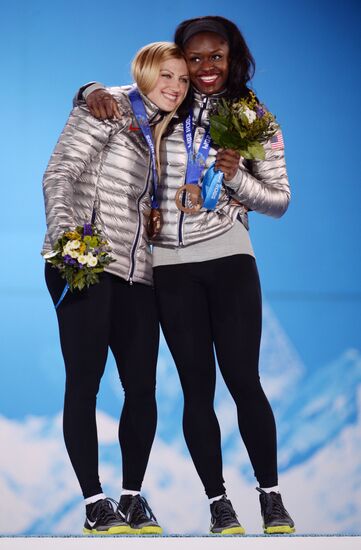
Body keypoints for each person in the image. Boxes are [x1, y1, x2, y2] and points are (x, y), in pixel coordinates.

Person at [77, 15, 295, 536]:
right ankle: (219, 503)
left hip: (230, 259)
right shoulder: (163, 99)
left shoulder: (254, 117)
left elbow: (281, 201)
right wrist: (85, 89)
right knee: (197, 389)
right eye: (193, 58)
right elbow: (107, 97)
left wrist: (237, 177)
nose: (203, 69)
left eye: (214, 57)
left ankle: (271, 497)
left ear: (232, 56)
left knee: (244, 380)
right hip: (170, 266)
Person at [42, 42, 189, 536]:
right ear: (145, 73)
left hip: (137, 273)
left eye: (183, 80)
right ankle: (93, 503)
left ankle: (131, 499)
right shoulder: (107, 105)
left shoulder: (169, 132)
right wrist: (69, 242)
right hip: (84, 259)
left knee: (142, 387)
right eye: (166, 75)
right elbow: (59, 174)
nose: (174, 86)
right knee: (85, 382)